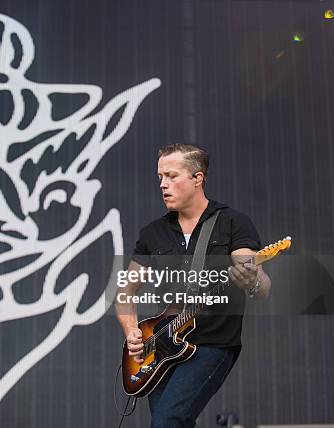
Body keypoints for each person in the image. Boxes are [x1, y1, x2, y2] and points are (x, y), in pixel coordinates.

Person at [115, 144, 271, 427]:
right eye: (160, 177)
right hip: (161, 346)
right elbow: (125, 292)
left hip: (211, 345)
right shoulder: (153, 233)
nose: (163, 184)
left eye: (172, 176)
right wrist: (132, 332)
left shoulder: (232, 223)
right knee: (173, 423)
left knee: (167, 421)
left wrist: (252, 281)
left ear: (197, 179)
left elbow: (259, 283)